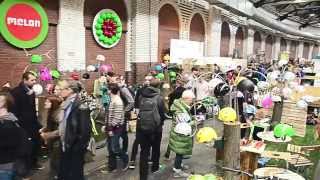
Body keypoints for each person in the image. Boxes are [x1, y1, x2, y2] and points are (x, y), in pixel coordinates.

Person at [10, 72, 43, 177]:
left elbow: (33, 108)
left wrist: (37, 123)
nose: (34, 82)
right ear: (24, 80)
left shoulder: (32, 92)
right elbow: (14, 109)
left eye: (34, 80)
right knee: (25, 145)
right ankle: (26, 167)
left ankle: (34, 162)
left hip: (32, 122)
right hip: (22, 123)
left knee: (35, 143)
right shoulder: (15, 92)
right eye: (32, 80)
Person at [56, 80, 91, 180]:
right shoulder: (65, 104)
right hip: (65, 145)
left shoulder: (81, 106)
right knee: (64, 173)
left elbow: (85, 131)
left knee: (75, 174)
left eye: (61, 89)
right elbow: (65, 125)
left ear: (70, 90)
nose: (59, 92)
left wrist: (77, 148)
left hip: (74, 148)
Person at [136, 78, 166, 180]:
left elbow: (138, 109)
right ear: (158, 86)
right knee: (156, 148)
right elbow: (162, 114)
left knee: (144, 151)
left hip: (142, 127)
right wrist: (161, 122)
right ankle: (155, 167)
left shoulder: (141, 95)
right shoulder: (159, 98)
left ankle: (143, 176)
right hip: (156, 129)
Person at [0, 91, 26, 180]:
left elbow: (9, 144)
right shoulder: (10, 120)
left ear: (4, 104)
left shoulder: (7, 123)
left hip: (4, 165)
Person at [169, 90, 195, 178]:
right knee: (179, 152)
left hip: (179, 133)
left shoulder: (181, 105)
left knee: (180, 152)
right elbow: (184, 123)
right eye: (191, 99)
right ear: (186, 99)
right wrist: (195, 121)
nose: (192, 101)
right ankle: (177, 170)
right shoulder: (180, 109)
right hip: (179, 134)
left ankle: (179, 165)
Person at [39, 87, 63, 180]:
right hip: (53, 142)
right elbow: (50, 125)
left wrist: (46, 135)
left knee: (56, 161)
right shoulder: (52, 112)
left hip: (58, 142)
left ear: (53, 104)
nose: (45, 103)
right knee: (53, 161)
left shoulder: (57, 115)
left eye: (47, 102)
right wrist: (43, 129)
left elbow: (60, 130)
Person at [105, 83, 129, 172]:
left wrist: (110, 128)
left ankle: (125, 159)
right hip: (110, 127)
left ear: (110, 90)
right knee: (110, 148)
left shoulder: (117, 101)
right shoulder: (112, 99)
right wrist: (106, 125)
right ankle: (112, 167)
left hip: (116, 128)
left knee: (115, 148)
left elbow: (117, 117)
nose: (106, 91)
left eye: (107, 89)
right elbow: (109, 115)